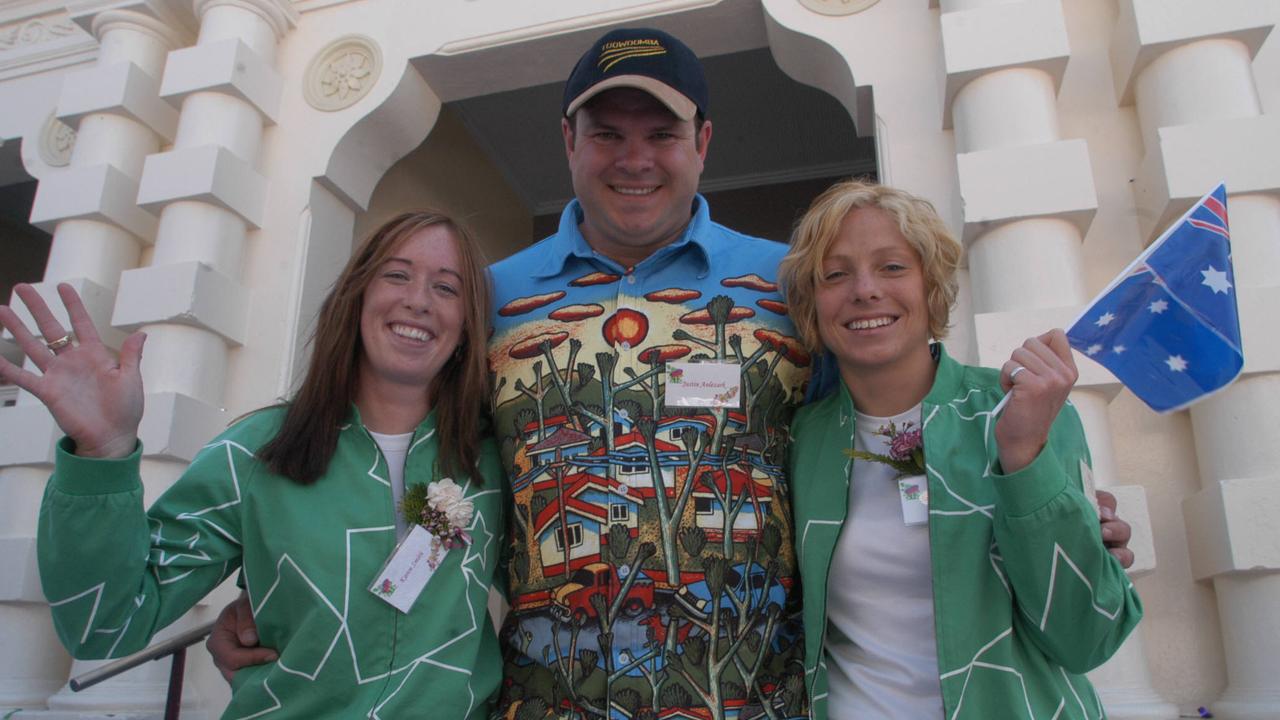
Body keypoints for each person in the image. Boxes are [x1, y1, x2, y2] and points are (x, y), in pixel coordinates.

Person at [206, 28, 1136, 718]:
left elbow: (878, 434)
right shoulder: (486, 302)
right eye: (607, 133)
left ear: (705, 143)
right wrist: (317, 589)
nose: (634, 158)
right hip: (546, 702)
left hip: (758, 702)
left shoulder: (787, 286)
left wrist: (1039, 504)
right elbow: (432, 466)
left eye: (662, 132)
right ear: (568, 142)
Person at [0, 212, 506, 719]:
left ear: (466, 326)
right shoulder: (256, 449)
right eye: (397, 275)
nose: (418, 300)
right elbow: (102, 624)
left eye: (447, 288)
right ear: (357, 298)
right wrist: (103, 456)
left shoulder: (500, 457)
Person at [778, 179, 1142, 719]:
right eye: (835, 274)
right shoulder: (799, 439)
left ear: (932, 287)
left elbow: (1090, 635)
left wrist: (1024, 461)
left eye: (893, 267)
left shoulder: (1023, 411)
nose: (864, 289)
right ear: (812, 303)